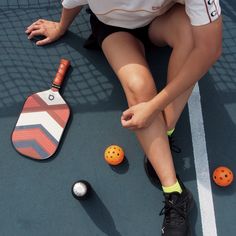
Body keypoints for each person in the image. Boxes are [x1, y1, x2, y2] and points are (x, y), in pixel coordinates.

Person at [26, 1, 222, 235]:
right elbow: (72, 2)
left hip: (166, 19)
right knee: (139, 86)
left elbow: (209, 49)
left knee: (193, 39)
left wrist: (154, 108)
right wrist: (61, 26)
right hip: (115, 29)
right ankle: (175, 192)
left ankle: (165, 130)